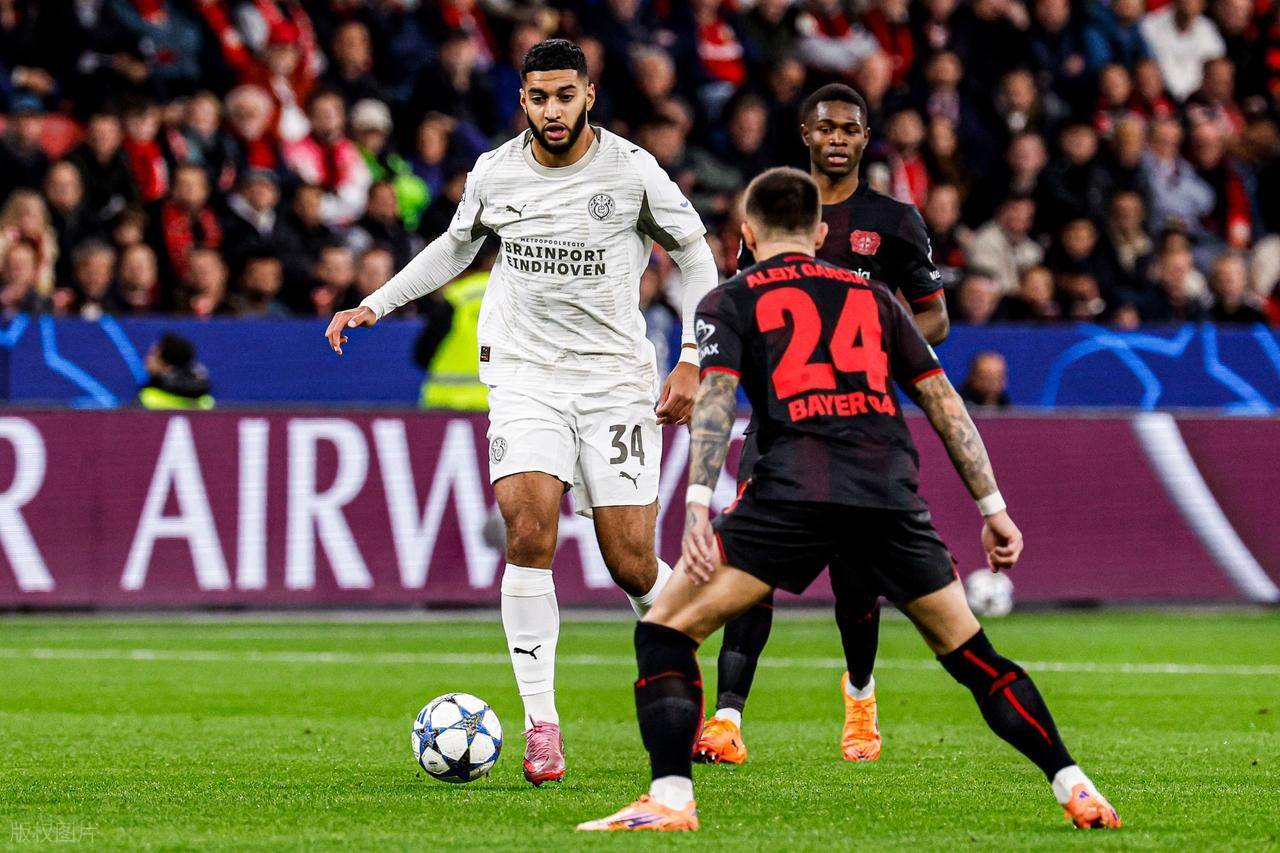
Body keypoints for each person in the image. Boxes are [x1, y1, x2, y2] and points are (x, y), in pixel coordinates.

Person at [577, 167, 1121, 833]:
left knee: (665, 629)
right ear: (819, 233)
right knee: (974, 657)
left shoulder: (729, 299)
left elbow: (716, 400)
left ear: (748, 234)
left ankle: (670, 799)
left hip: (793, 492)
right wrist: (992, 507)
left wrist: (696, 502)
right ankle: (1076, 786)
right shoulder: (876, 299)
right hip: (886, 492)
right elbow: (943, 402)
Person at [324, 39, 718, 787]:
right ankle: (542, 723)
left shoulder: (633, 171)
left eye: (565, 95)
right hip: (525, 376)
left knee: (631, 562)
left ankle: (692, 667)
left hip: (613, 382)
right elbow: (455, 247)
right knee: (528, 530)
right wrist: (377, 302)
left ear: (589, 95)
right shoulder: (496, 172)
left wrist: (695, 356)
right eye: (539, 97)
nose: (552, 110)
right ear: (523, 102)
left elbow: (698, 257)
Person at [699, 83, 948, 769]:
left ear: (865, 138)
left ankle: (861, 693)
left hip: (859, 423)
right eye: (826, 127)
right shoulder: (772, 211)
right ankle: (726, 718)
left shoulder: (894, 221)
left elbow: (934, 316)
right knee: (750, 562)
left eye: (850, 128)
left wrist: (872, 348)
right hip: (779, 421)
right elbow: (747, 304)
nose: (837, 138)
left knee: (856, 578)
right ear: (805, 134)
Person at [138, 333, 215, 410]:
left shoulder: (147, 398)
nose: (147, 359)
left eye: (152, 354)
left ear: (167, 366)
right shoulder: (206, 401)